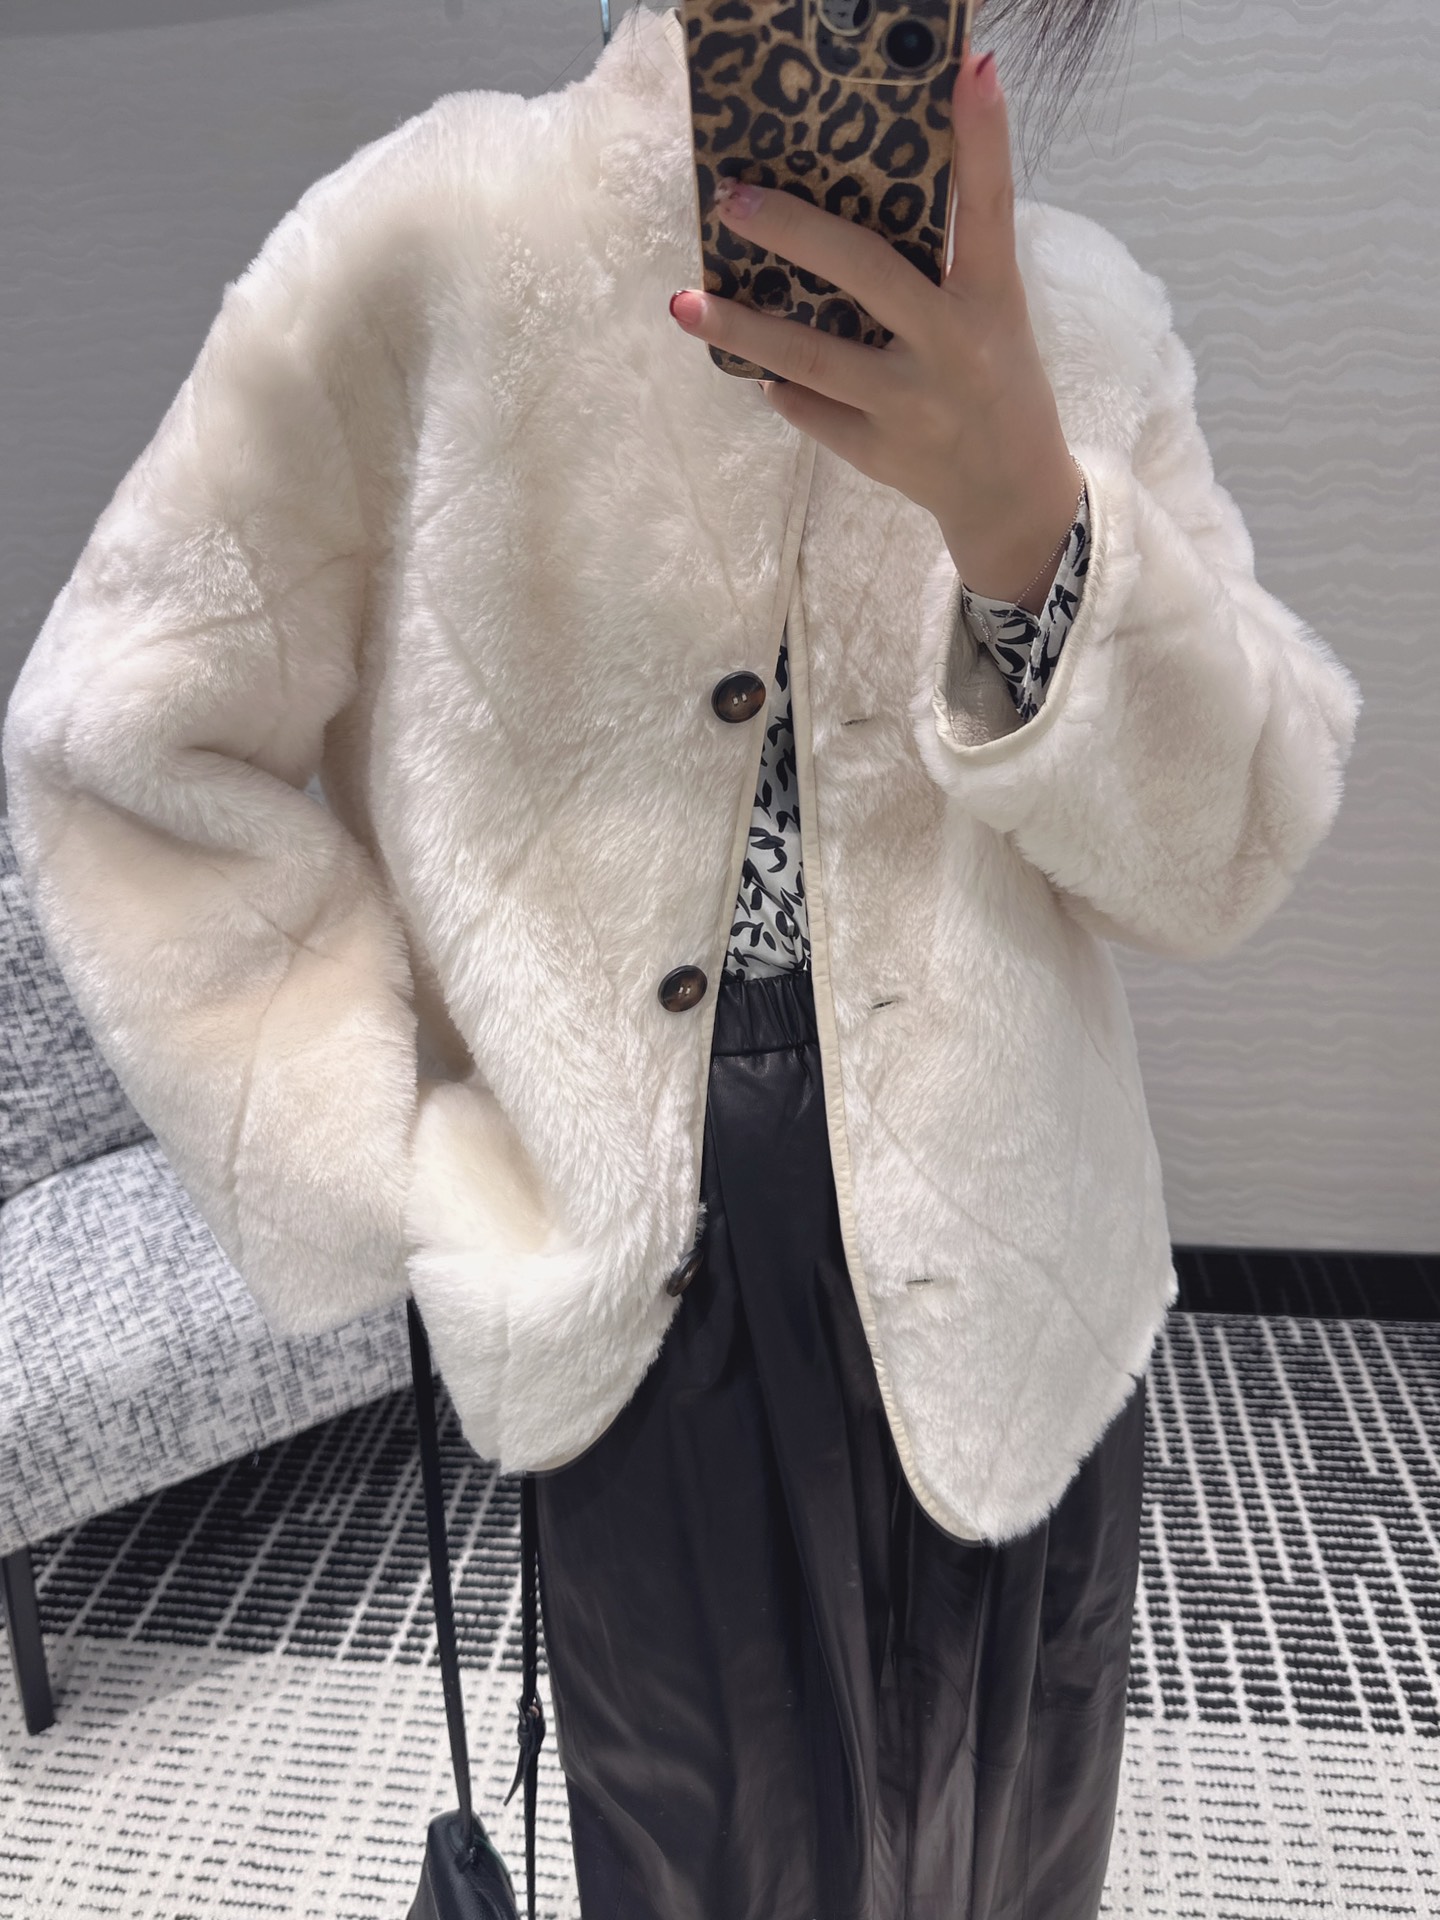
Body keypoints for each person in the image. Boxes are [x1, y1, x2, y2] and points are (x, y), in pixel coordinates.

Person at [1, 4, 1361, 1916]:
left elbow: (1228, 853)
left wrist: (1029, 522)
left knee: (1012, 1847)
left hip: (1030, 1257)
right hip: (643, 1289)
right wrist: (389, 1158)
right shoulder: (431, 249)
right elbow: (121, 740)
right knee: (715, 1865)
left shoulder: (1078, 322)